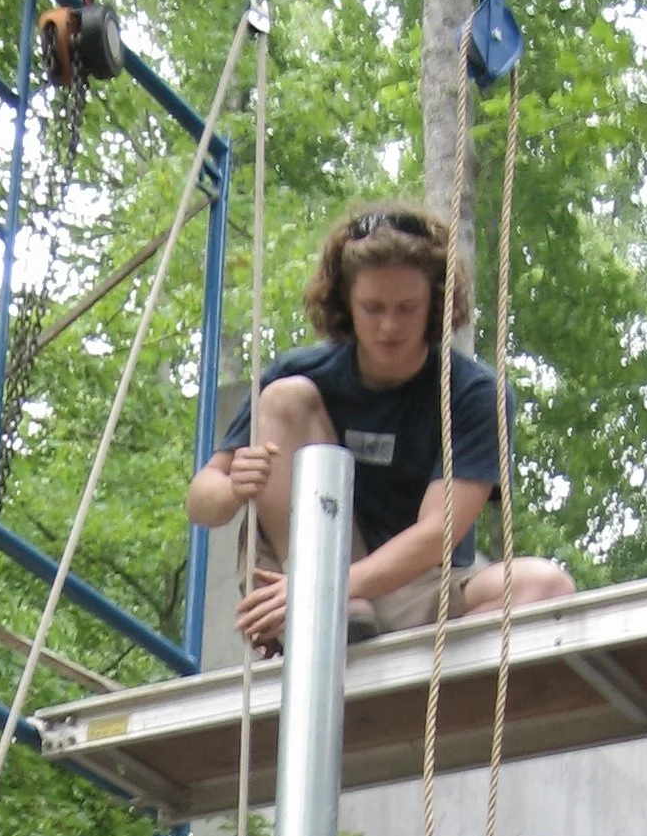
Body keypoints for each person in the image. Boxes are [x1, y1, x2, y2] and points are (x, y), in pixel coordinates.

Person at [186, 200, 574, 650]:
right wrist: (233, 488)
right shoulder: (298, 373)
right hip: (303, 577)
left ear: (435, 304)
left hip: (416, 585)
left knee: (546, 586)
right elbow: (201, 502)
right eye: (373, 308)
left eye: (407, 308)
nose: (390, 326)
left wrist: (336, 585)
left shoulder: (475, 394)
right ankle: (330, 612)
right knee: (284, 398)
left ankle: (426, 668)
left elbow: (438, 533)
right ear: (345, 304)